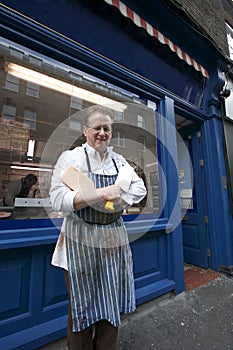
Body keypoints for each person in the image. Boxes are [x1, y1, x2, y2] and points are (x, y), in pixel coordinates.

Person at [49, 105, 147, 350]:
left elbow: (139, 189)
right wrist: (100, 194)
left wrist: (114, 202)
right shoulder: (70, 158)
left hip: (112, 238)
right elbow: (58, 199)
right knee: (82, 304)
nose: (102, 133)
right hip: (78, 238)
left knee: (110, 300)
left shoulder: (118, 161)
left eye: (107, 129)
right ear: (85, 131)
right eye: (97, 128)